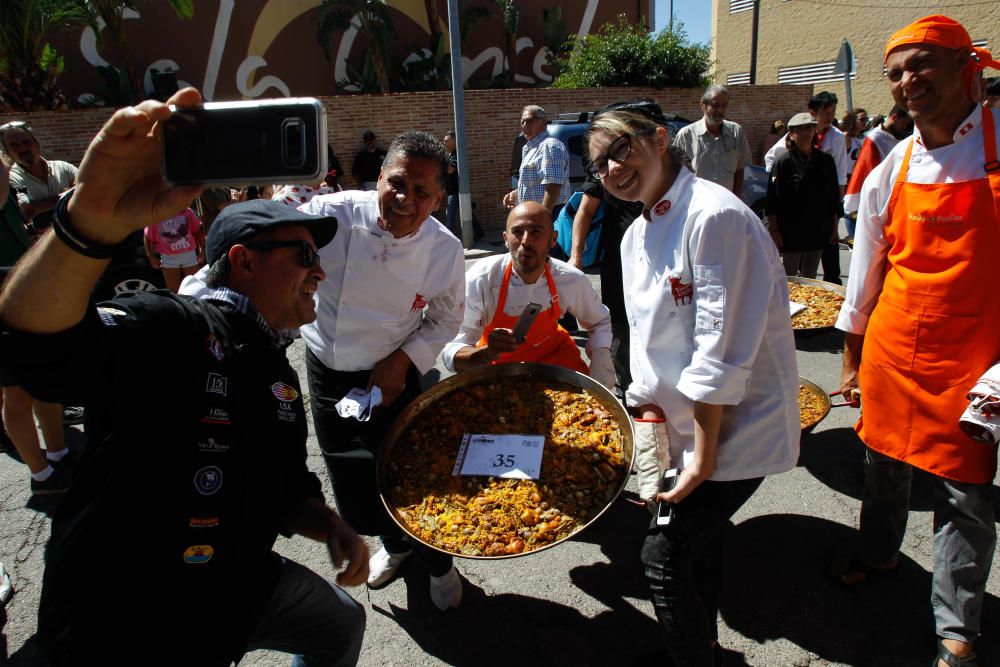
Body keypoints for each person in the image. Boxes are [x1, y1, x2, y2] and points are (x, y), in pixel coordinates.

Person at [0, 89, 370, 666]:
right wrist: (87, 224)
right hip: (125, 619)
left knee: (340, 622)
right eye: (302, 254)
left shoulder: (276, 367)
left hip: (236, 591)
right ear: (245, 262)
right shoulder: (174, 324)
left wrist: (330, 526)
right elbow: (39, 346)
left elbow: (284, 485)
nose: (320, 269)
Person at [586, 108, 799, 666]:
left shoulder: (713, 216)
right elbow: (650, 342)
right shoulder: (635, 236)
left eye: (622, 148)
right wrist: (645, 412)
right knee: (702, 542)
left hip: (732, 431)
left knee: (661, 557)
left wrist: (702, 460)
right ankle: (703, 639)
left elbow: (719, 347)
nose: (614, 167)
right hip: (679, 430)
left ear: (660, 139)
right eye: (601, 162)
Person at [835, 15, 1000, 667]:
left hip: (975, 358)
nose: (907, 81)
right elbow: (864, 272)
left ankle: (956, 623)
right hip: (892, 350)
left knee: (965, 493)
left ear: (968, 67)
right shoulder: (893, 164)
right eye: (897, 72)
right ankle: (879, 551)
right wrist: (850, 356)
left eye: (922, 64)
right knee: (881, 464)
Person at [298, 131, 466, 610]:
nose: (405, 199)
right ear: (379, 177)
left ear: (437, 200)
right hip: (326, 368)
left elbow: (445, 319)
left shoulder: (444, 249)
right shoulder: (328, 215)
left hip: (391, 374)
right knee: (350, 474)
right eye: (397, 183)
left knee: (408, 478)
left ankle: (439, 564)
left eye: (421, 192)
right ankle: (394, 549)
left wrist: (401, 362)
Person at [443, 201, 615, 386]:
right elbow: (452, 349)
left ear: (553, 239)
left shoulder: (570, 279)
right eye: (517, 232)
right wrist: (487, 353)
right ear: (506, 238)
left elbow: (599, 321)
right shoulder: (481, 279)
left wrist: (601, 361)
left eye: (536, 232)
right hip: (498, 365)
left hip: (554, 356)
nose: (526, 241)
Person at [0, 154, 71, 493]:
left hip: (20, 278)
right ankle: (42, 475)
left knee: (47, 374)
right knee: (16, 390)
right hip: (4, 289)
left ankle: (59, 454)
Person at [765, 91, 850, 284]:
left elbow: (831, 196)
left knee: (810, 277)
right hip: (791, 229)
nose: (805, 133)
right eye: (799, 130)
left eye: (808, 129)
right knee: (789, 278)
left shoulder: (825, 161)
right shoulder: (783, 162)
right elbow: (773, 199)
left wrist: (834, 226)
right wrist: (775, 230)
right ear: (792, 134)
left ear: (814, 131)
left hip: (818, 227)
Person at [842, 105, 912, 240]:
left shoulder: (897, 138)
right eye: (905, 123)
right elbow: (866, 173)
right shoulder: (875, 139)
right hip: (877, 206)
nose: (906, 127)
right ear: (894, 118)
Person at [671, 84, 753, 195]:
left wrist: (736, 200)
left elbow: (739, 170)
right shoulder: (686, 135)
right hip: (696, 204)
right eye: (715, 105)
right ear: (702, 105)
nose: (720, 110)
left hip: (726, 204)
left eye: (724, 105)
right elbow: (675, 173)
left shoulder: (736, 133)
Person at [0, 121, 77, 225]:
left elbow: (86, 189)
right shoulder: (11, 178)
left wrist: (43, 204)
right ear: (7, 152)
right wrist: (70, 194)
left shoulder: (63, 168)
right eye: (14, 145)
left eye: (26, 142)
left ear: (36, 142)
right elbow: (29, 210)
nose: (23, 149)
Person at [503, 105, 570, 213]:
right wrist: (517, 193)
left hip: (550, 214)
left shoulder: (549, 146)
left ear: (544, 122)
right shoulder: (530, 148)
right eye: (522, 122)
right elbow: (536, 185)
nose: (525, 125)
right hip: (535, 213)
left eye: (529, 121)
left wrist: (544, 216)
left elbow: (553, 186)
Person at [143, 206, 205, 292]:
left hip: (189, 254)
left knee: (195, 288)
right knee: (174, 291)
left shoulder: (187, 211)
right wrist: (150, 256)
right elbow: (147, 236)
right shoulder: (157, 215)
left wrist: (202, 251)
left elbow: (198, 232)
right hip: (168, 258)